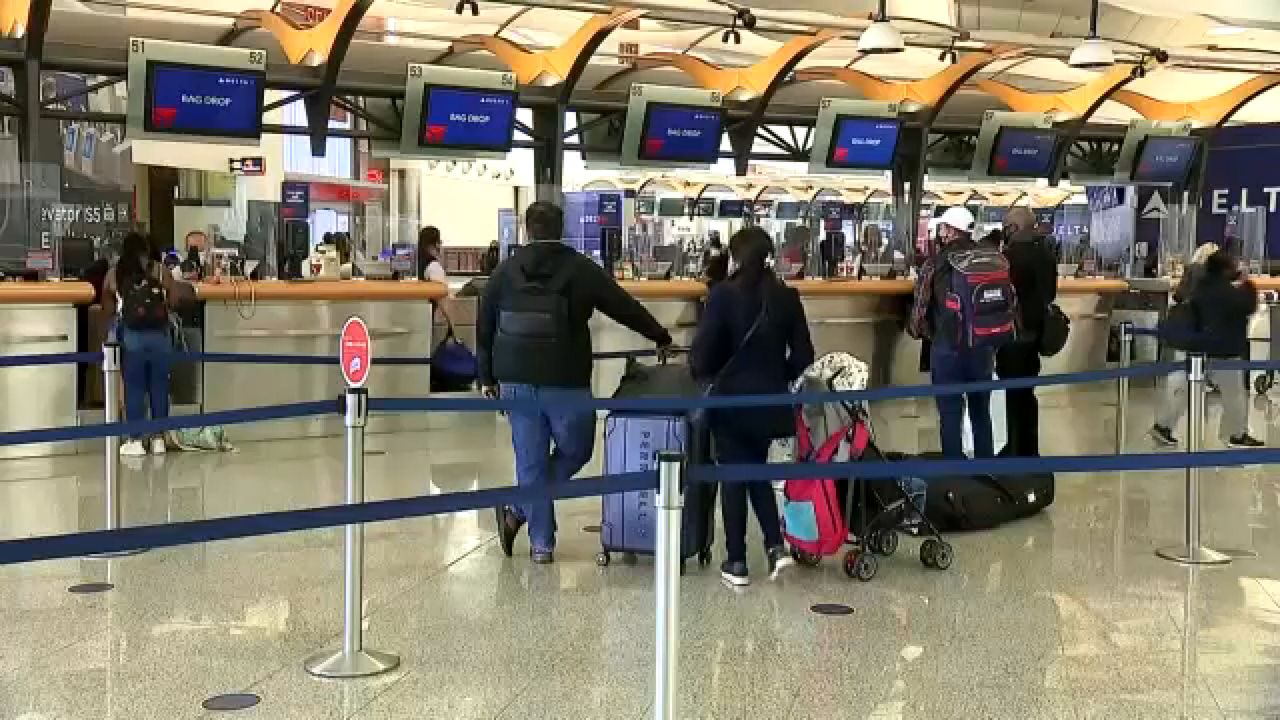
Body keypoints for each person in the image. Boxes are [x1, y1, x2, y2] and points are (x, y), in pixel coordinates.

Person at [480, 202, 672, 564]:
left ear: (526, 229)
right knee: (577, 449)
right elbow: (623, 306)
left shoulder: (504, 272)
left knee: (531, 462)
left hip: (514, 376)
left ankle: (524, 516)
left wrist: (486, 376)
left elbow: (485, 325)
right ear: (562, 228)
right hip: (565, 377)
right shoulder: (580, 269)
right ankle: (539, 541)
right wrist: (659, 335)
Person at [692, 226, 815, 587]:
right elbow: (804, 354)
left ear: (735, 257)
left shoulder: (723, 296)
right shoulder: (786, 297)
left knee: (733, 475)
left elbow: (703, 354)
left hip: (730, 399)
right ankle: (776, 547)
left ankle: (737, 561)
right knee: (755, 468)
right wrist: (778, 377)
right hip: (769, 400)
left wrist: (707, 375)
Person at [908, 206, 997, 459]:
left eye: (943, 227)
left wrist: (928, 333)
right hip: (982, 347)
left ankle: (954, 473)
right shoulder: (990, 261)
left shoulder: (934, 264)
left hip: (947, 348)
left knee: (950, 415)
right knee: (981, 413)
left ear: (949, 231)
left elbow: (918, 316)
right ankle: (987, 469)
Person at [1152, 249, 1263, 448]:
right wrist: (1247, 283)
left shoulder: (1201, 286)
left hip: (1197, 347)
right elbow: (1248, 305)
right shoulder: (1227, 292)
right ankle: (1236, 435)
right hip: (1223, 351)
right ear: (1226, 270)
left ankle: (1163, 426)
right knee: (1234, 396)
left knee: (1183, 389)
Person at [102, 232, 179, 457]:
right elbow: (174, 300)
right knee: (159, 386)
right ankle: (158, 439)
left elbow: (107, 307)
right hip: (160, 337)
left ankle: (135, 440)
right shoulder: (160, 271)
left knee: (134, 387)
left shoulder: (115, 273)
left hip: (132, 337)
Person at [997, 207, 1058, 457]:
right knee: (1026, 394)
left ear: (1013, 228)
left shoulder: (1008, 258)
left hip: (1014, 335)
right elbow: (1050, 294)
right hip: (1036, 333)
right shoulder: (1046, 254)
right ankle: (1028, 449)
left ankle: (1015, 450)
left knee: (1014, 395)